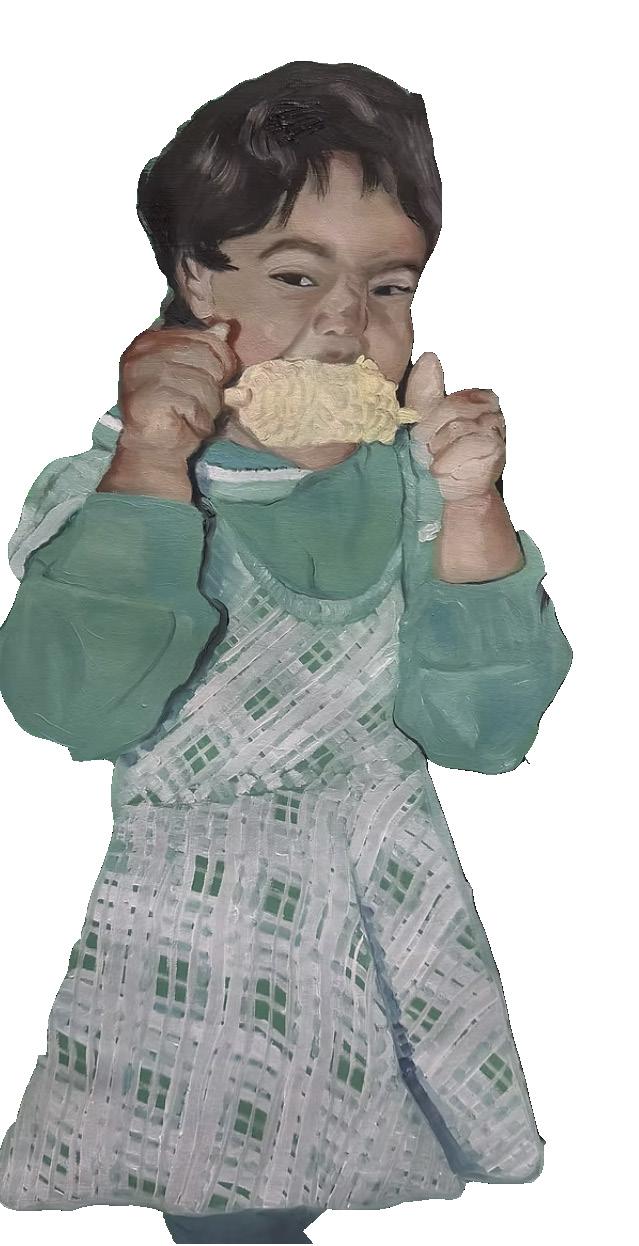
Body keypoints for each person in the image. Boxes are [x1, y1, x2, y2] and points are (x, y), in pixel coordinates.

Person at [0, 62, 572, 1244]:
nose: (347, 322)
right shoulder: (113, 485)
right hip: (203, 944)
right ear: (194, 277)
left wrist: (474, 510)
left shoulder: (424, 488)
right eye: (297, 275)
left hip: (387, 929)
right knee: (232, 1212)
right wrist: (151, 465)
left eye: (388, 285)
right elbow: (74, 708)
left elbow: (483, 736)